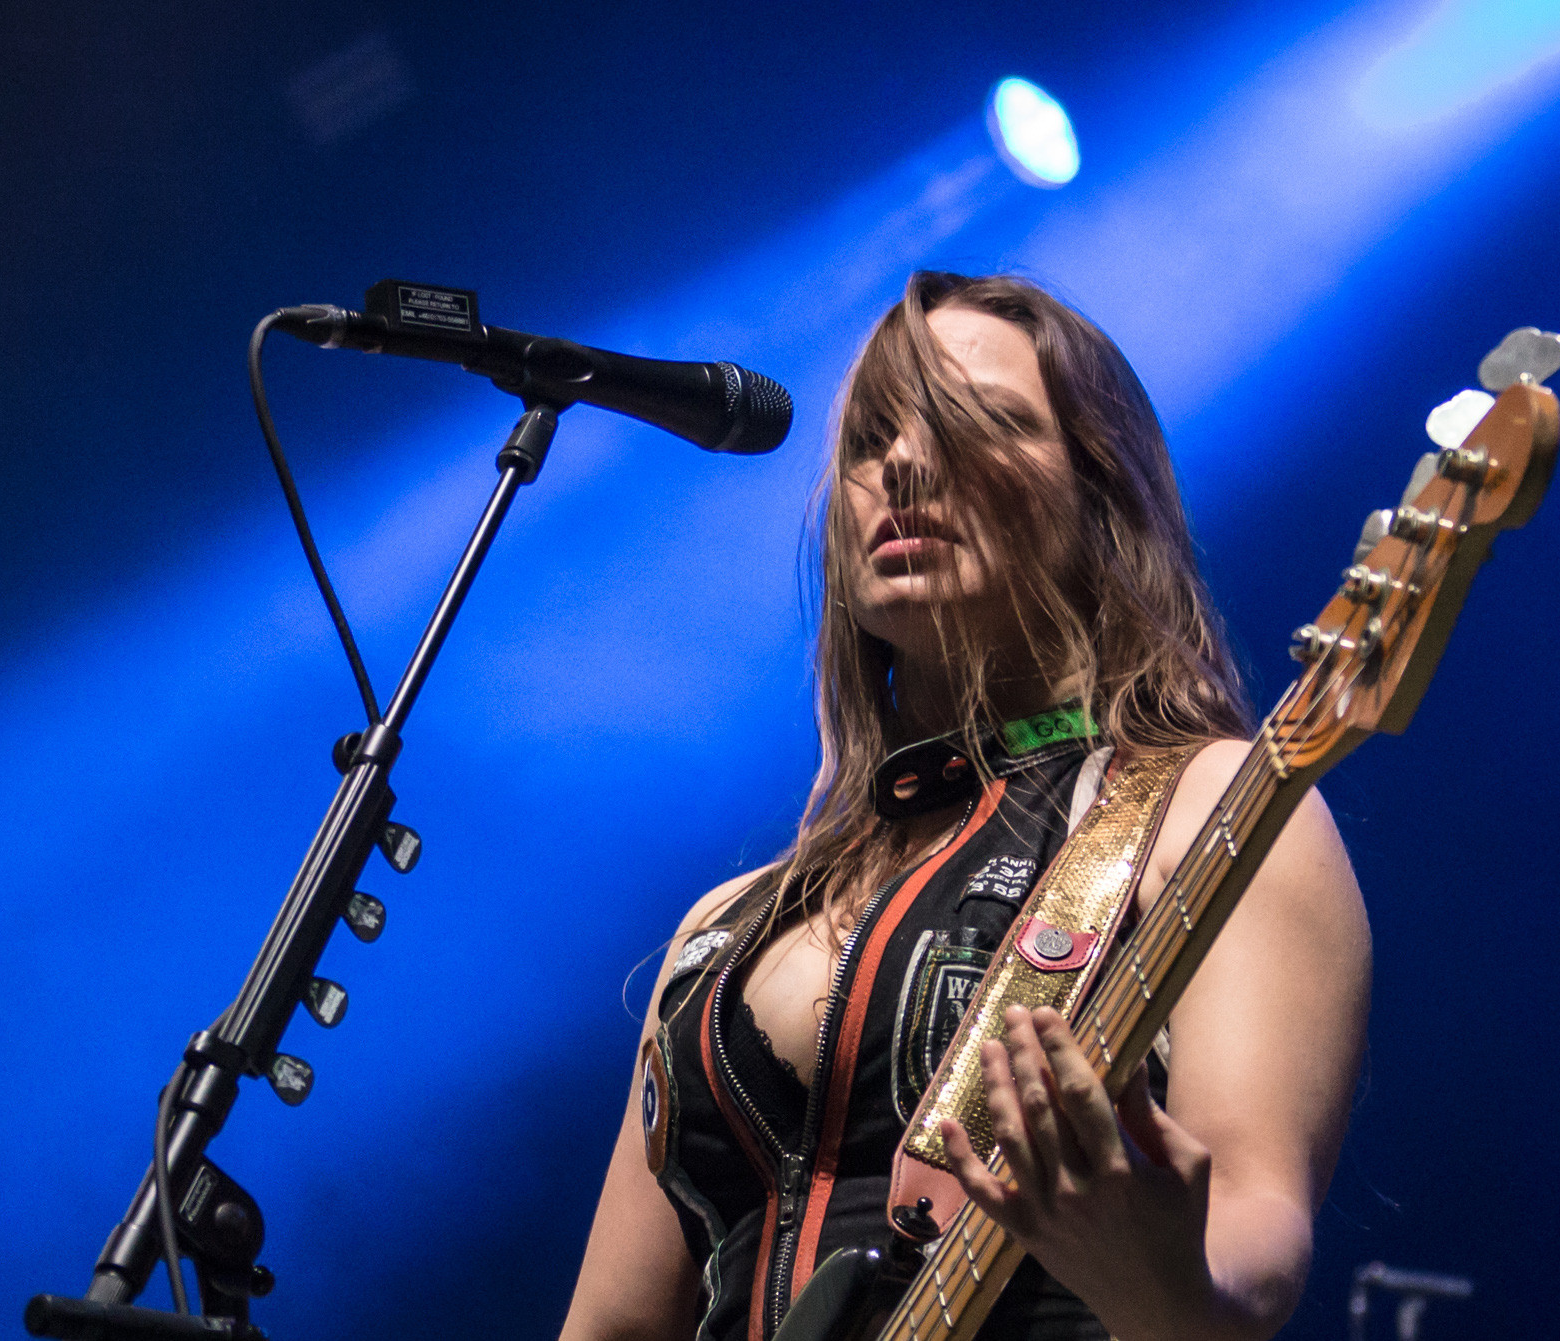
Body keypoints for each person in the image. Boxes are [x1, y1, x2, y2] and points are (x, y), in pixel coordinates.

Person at [558, 272, 1370, 1341]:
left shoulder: (1210, 802)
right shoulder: (719, 929)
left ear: (1099, 492)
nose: (901, 462)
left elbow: (1252, 1234)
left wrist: (1165, 1279)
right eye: (869, 440)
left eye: (976, 421)